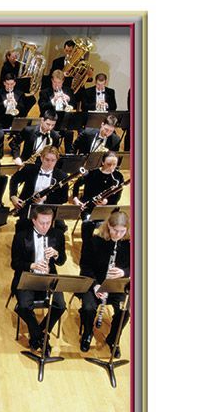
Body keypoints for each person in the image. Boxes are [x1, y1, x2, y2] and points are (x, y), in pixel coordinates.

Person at [10, 205, 67, 353]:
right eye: (42, 223)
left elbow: (62, 261)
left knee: (60, 306)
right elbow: (15, 264)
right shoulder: (21, 236)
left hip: (49, 277)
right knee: (24, 306)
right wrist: (33, 265)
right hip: (27, 276)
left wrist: (56, 254)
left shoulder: (58, 235)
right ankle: (41, 338)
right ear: (34, 220)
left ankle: (38, 334)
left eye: (49, 222)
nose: (45, 226)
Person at [78, 209, 130, 355]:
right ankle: (87, 333)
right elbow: (85, 266)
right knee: (88, 308)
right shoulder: (95, 241)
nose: (118, 235)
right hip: (94, 283)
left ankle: (113, 338)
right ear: (108, 226)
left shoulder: (130, 244)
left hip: (117, 286)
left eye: (122, 231)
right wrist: (96, 285)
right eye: (115, 230)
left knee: (125, 311)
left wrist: (124, 272)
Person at [9, 146, 69, 217]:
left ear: (57, 160)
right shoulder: (30, 169)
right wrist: (13, 196)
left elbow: (64, 198)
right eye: (47, 160)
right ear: (41, 158)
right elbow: (14, 180)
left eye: (53, 160)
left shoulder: (62, 176)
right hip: (28, 208)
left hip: (50, 210)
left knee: (60, 224)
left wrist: (46, 198)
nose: (50, 163)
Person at [72, 151, 124, 216]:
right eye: (108, 164)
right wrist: (75, 198)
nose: (111, 167)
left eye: (114, 164)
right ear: (102, 162)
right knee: (87, 221)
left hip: (107, 208)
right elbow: (76, 184)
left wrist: (107, 201)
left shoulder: (118, 176)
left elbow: (117, 197)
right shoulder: (92, 173)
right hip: (88, 208)